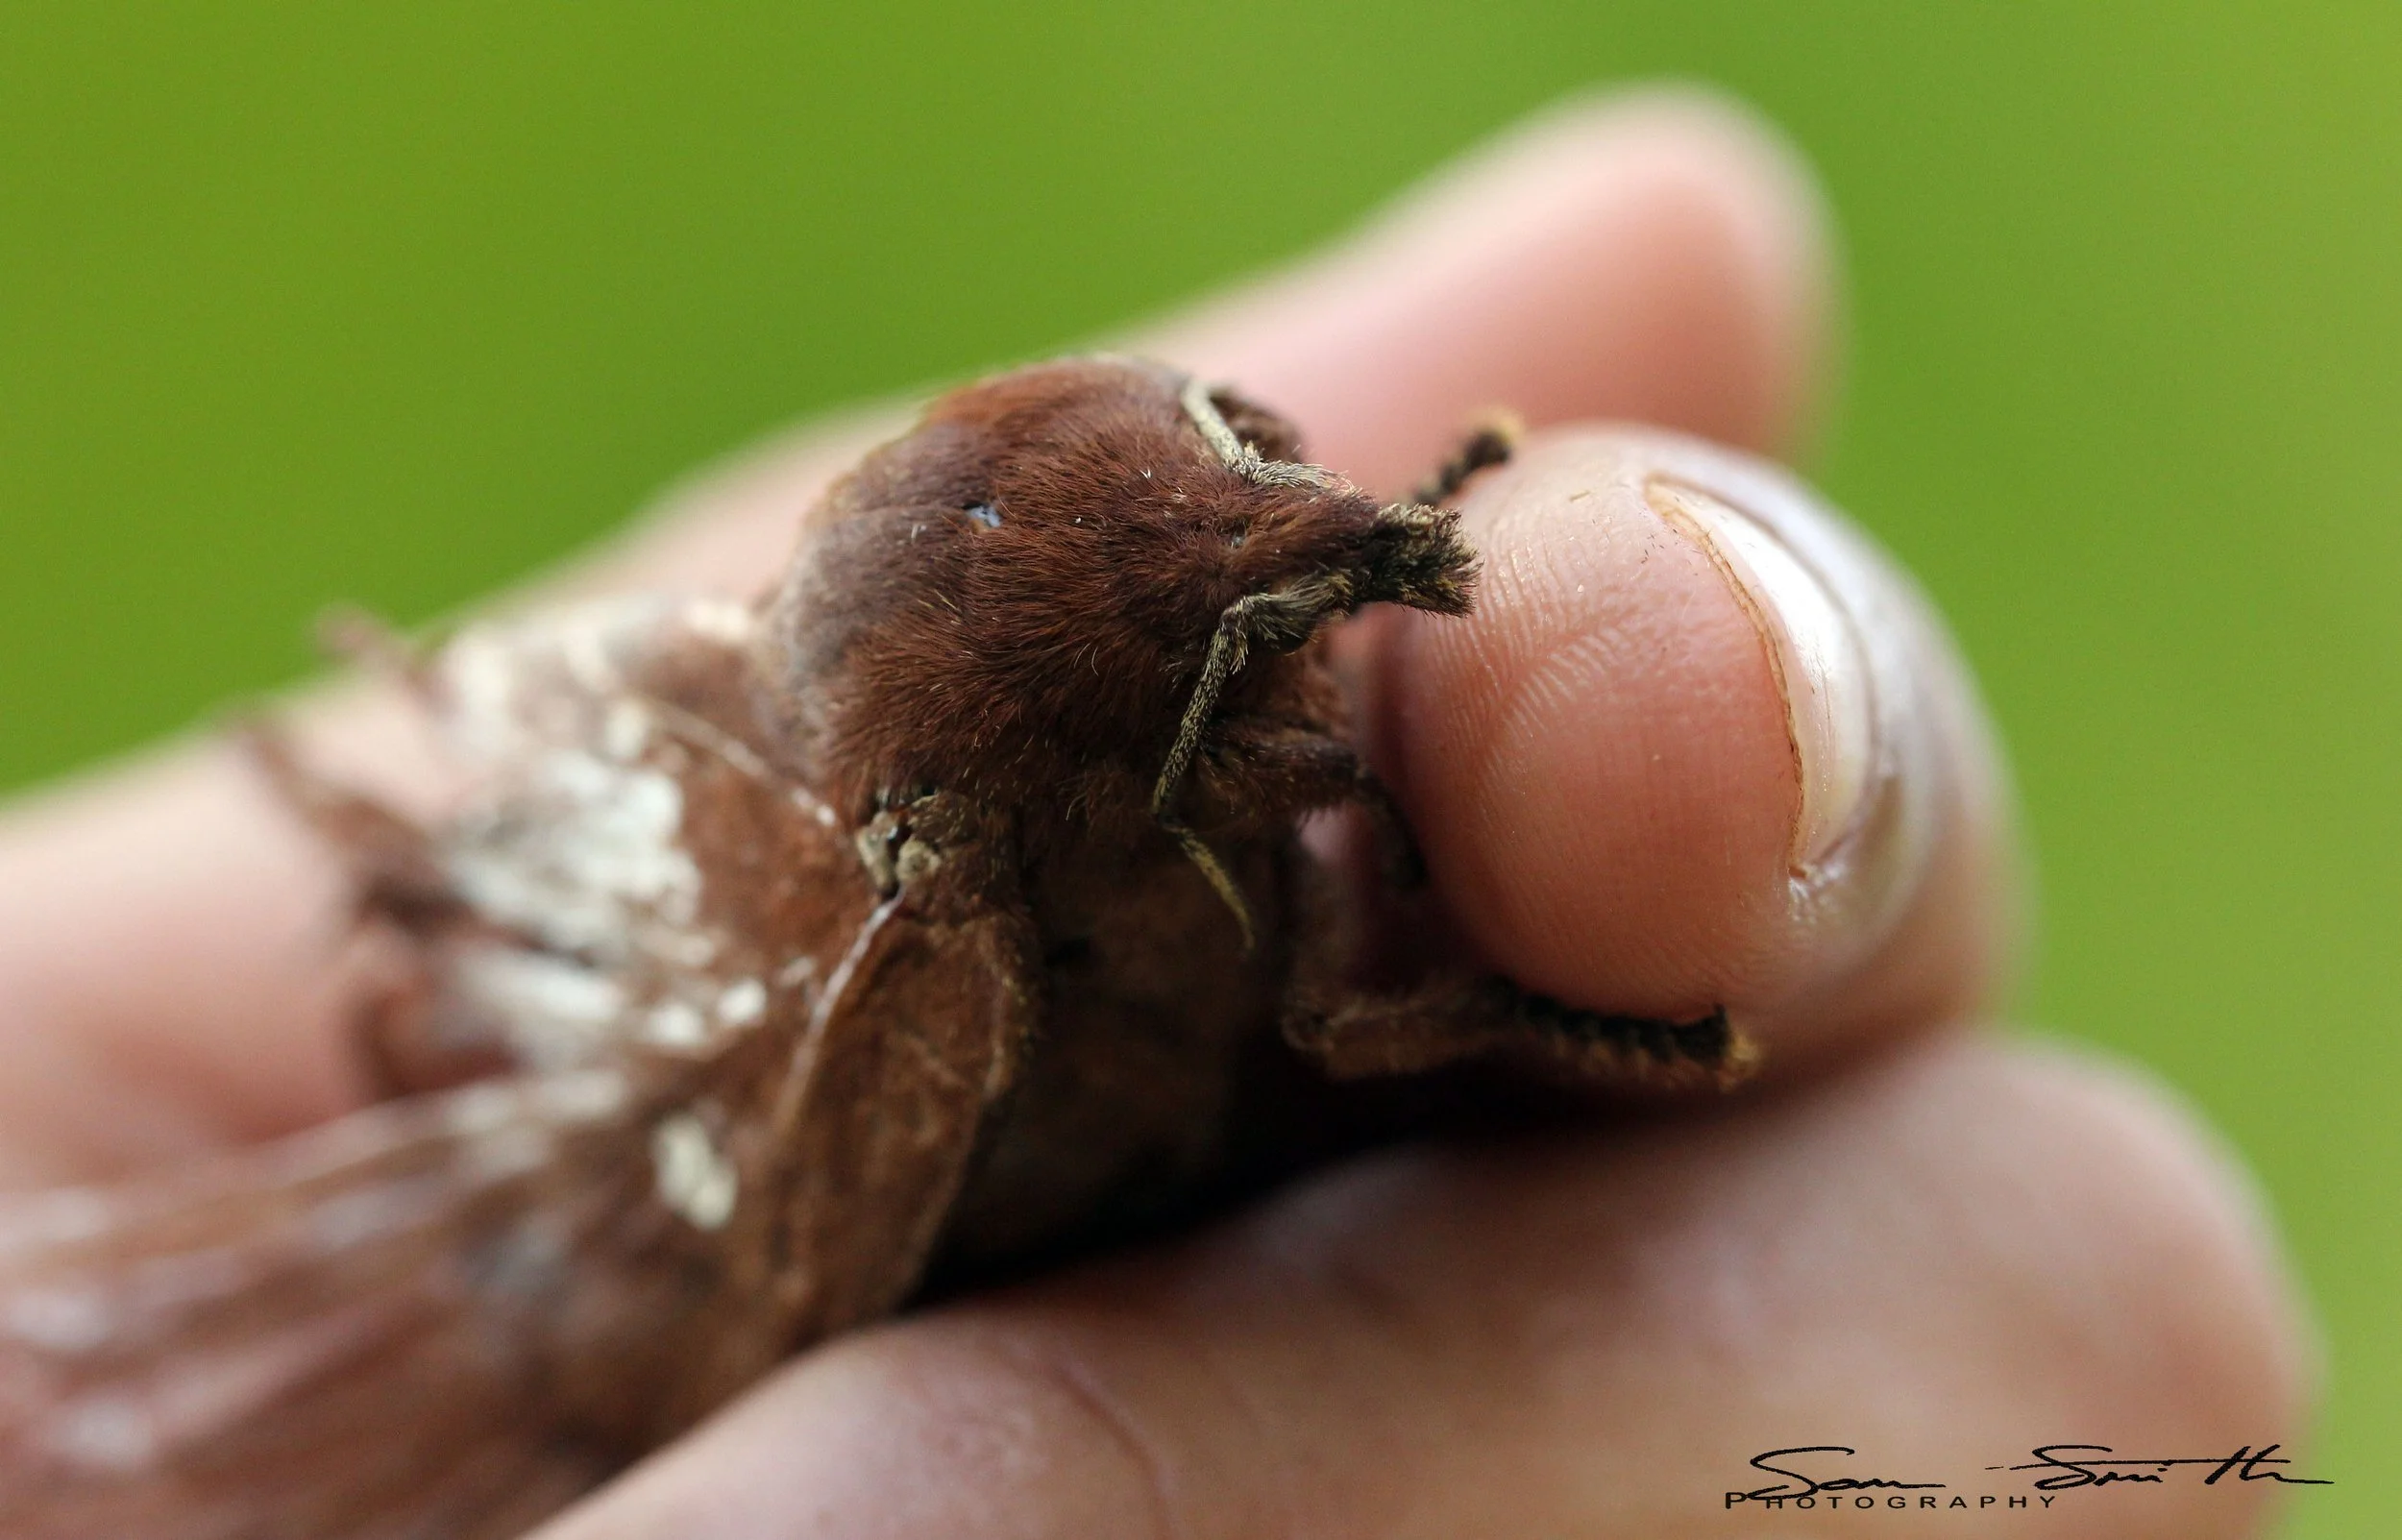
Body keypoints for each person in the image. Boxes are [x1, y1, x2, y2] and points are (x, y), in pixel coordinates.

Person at [0, 91, 2309, 1536]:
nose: (1316, 551)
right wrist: (1548, 1016)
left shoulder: (1246, 683)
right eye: (1235, 646)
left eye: (1251, 447)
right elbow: (1327, 1016)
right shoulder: (938, 949)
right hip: (735, 1194)